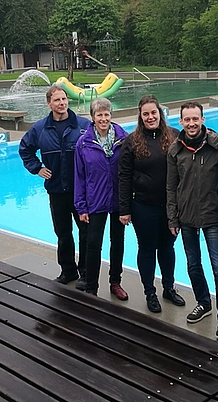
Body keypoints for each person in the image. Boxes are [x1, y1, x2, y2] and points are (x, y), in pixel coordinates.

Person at [166, 101, 218, 341]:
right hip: (185, 218)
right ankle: (203, 303)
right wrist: (172, 217)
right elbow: (171, 187)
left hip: (211, 216)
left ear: (203, 119)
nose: (192, 123)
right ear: (181, 121)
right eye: (187, 119)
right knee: (193, 265)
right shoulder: (175, 150)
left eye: (196, 119)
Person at [118, 95, 185, 313]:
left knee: (167, 248)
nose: (150, 117)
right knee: (147, 249)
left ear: (160, 113)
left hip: (170, 207)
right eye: (145, 114)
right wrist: (125, 209)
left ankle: (168, 287)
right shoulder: (131, 141)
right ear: (140, 116)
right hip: (143, 207)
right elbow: (124, 176)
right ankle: (150, 292)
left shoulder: (174, 136)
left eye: (153, 112)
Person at [19, 84, 90, 288]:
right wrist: (37, 168)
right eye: (57, 100)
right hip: (57, 190)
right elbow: (25, 149)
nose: (62, 103)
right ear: (49, 103)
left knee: (85, 232)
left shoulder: (83, 125)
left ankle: (85, 272)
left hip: (80, 192)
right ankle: (68, 271)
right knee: (63, 233)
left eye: (64, 99)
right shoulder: (40, 128)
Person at [74, 98, 129, 300]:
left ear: (111, 116)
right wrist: (81, 207)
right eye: (99, 115)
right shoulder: (84, 143)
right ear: (93, 117)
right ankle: (91, 287)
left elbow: (130, 172)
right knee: (93, 244)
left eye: (107, 114)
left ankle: (115, 282)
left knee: (118, 242)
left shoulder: (124, 139)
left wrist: (128, 202)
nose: (103, 118)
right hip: (94, 201)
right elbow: (79, 177)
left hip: (117, 202)